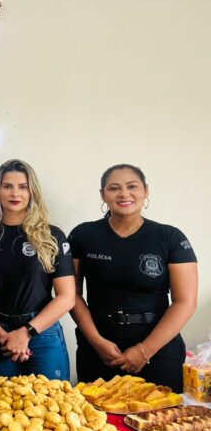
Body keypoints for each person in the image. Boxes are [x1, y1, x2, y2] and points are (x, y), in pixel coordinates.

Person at [69, 164, 198, 391]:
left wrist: (144, 350)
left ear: (145, 191)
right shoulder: (83, 235)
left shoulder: (170, 237)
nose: (124, 194)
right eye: (114, 188)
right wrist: (97, 342)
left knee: (159, 421)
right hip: (99, 348)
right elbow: (72, 295)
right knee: (96, 421)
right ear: (103, 195)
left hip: (158, 349)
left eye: (132, 187)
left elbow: (185, 302)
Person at [0, 160, 76, 380]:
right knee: (0, 410)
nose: (15, 193)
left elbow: (67, 298)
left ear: (32, 191)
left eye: (23, 186)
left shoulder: (51, 236)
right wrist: (3, 335)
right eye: (7, 186)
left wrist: (26, 332)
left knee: (54, 408)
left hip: (42, 333)